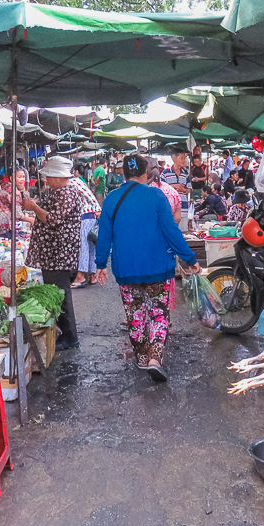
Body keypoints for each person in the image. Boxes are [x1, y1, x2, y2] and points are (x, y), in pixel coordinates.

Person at [95, 154, 200, 382]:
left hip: (126, 270)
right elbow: (171, 231)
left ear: (123, 173)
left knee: (135, 315)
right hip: (157, 268)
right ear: (145, 173)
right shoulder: (156, 196)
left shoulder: (112, 198)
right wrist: (190, 259)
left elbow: (104, 235)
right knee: (158, 314)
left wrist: (101, 264)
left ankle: (142, 359)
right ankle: (155, 358)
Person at [23, 156, 83, 351]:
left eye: (49, 176)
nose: (46, 180)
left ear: (58, 176)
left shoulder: (67, 193)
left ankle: (70, 336)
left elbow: (53, 220)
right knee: (57, 293)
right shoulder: (58, 192)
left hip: (59, 253)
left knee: (60, 294)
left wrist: (33, 207)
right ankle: (64, 333)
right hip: (53, 253)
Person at [70, 172, 102, 288]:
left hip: (85, 217)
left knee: (83, 246)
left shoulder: (72, 183)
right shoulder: (76, 181)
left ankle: (80, 276)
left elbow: (88, 196)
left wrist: (97, 208)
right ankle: (93, 275)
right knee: (91, 246)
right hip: (90, 216)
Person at [0, 169, 33, 237]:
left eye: (23, 177)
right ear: (12, 178)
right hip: (4, 226)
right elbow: (17, 214)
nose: (22, 179)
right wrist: (31, 220)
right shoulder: (15, 192)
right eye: (19, 177)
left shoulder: (2, 186)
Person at [160, 150, 192, 218]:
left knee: (183, 228)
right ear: (174, 159)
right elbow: (160, 188)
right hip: (169, 209)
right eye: (182, 158)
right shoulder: (165, 173)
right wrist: (174, 186)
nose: (184, 160)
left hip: (183, 209)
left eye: (185, 158)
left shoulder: (185, 173)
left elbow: (189, 189)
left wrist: (184, 190)